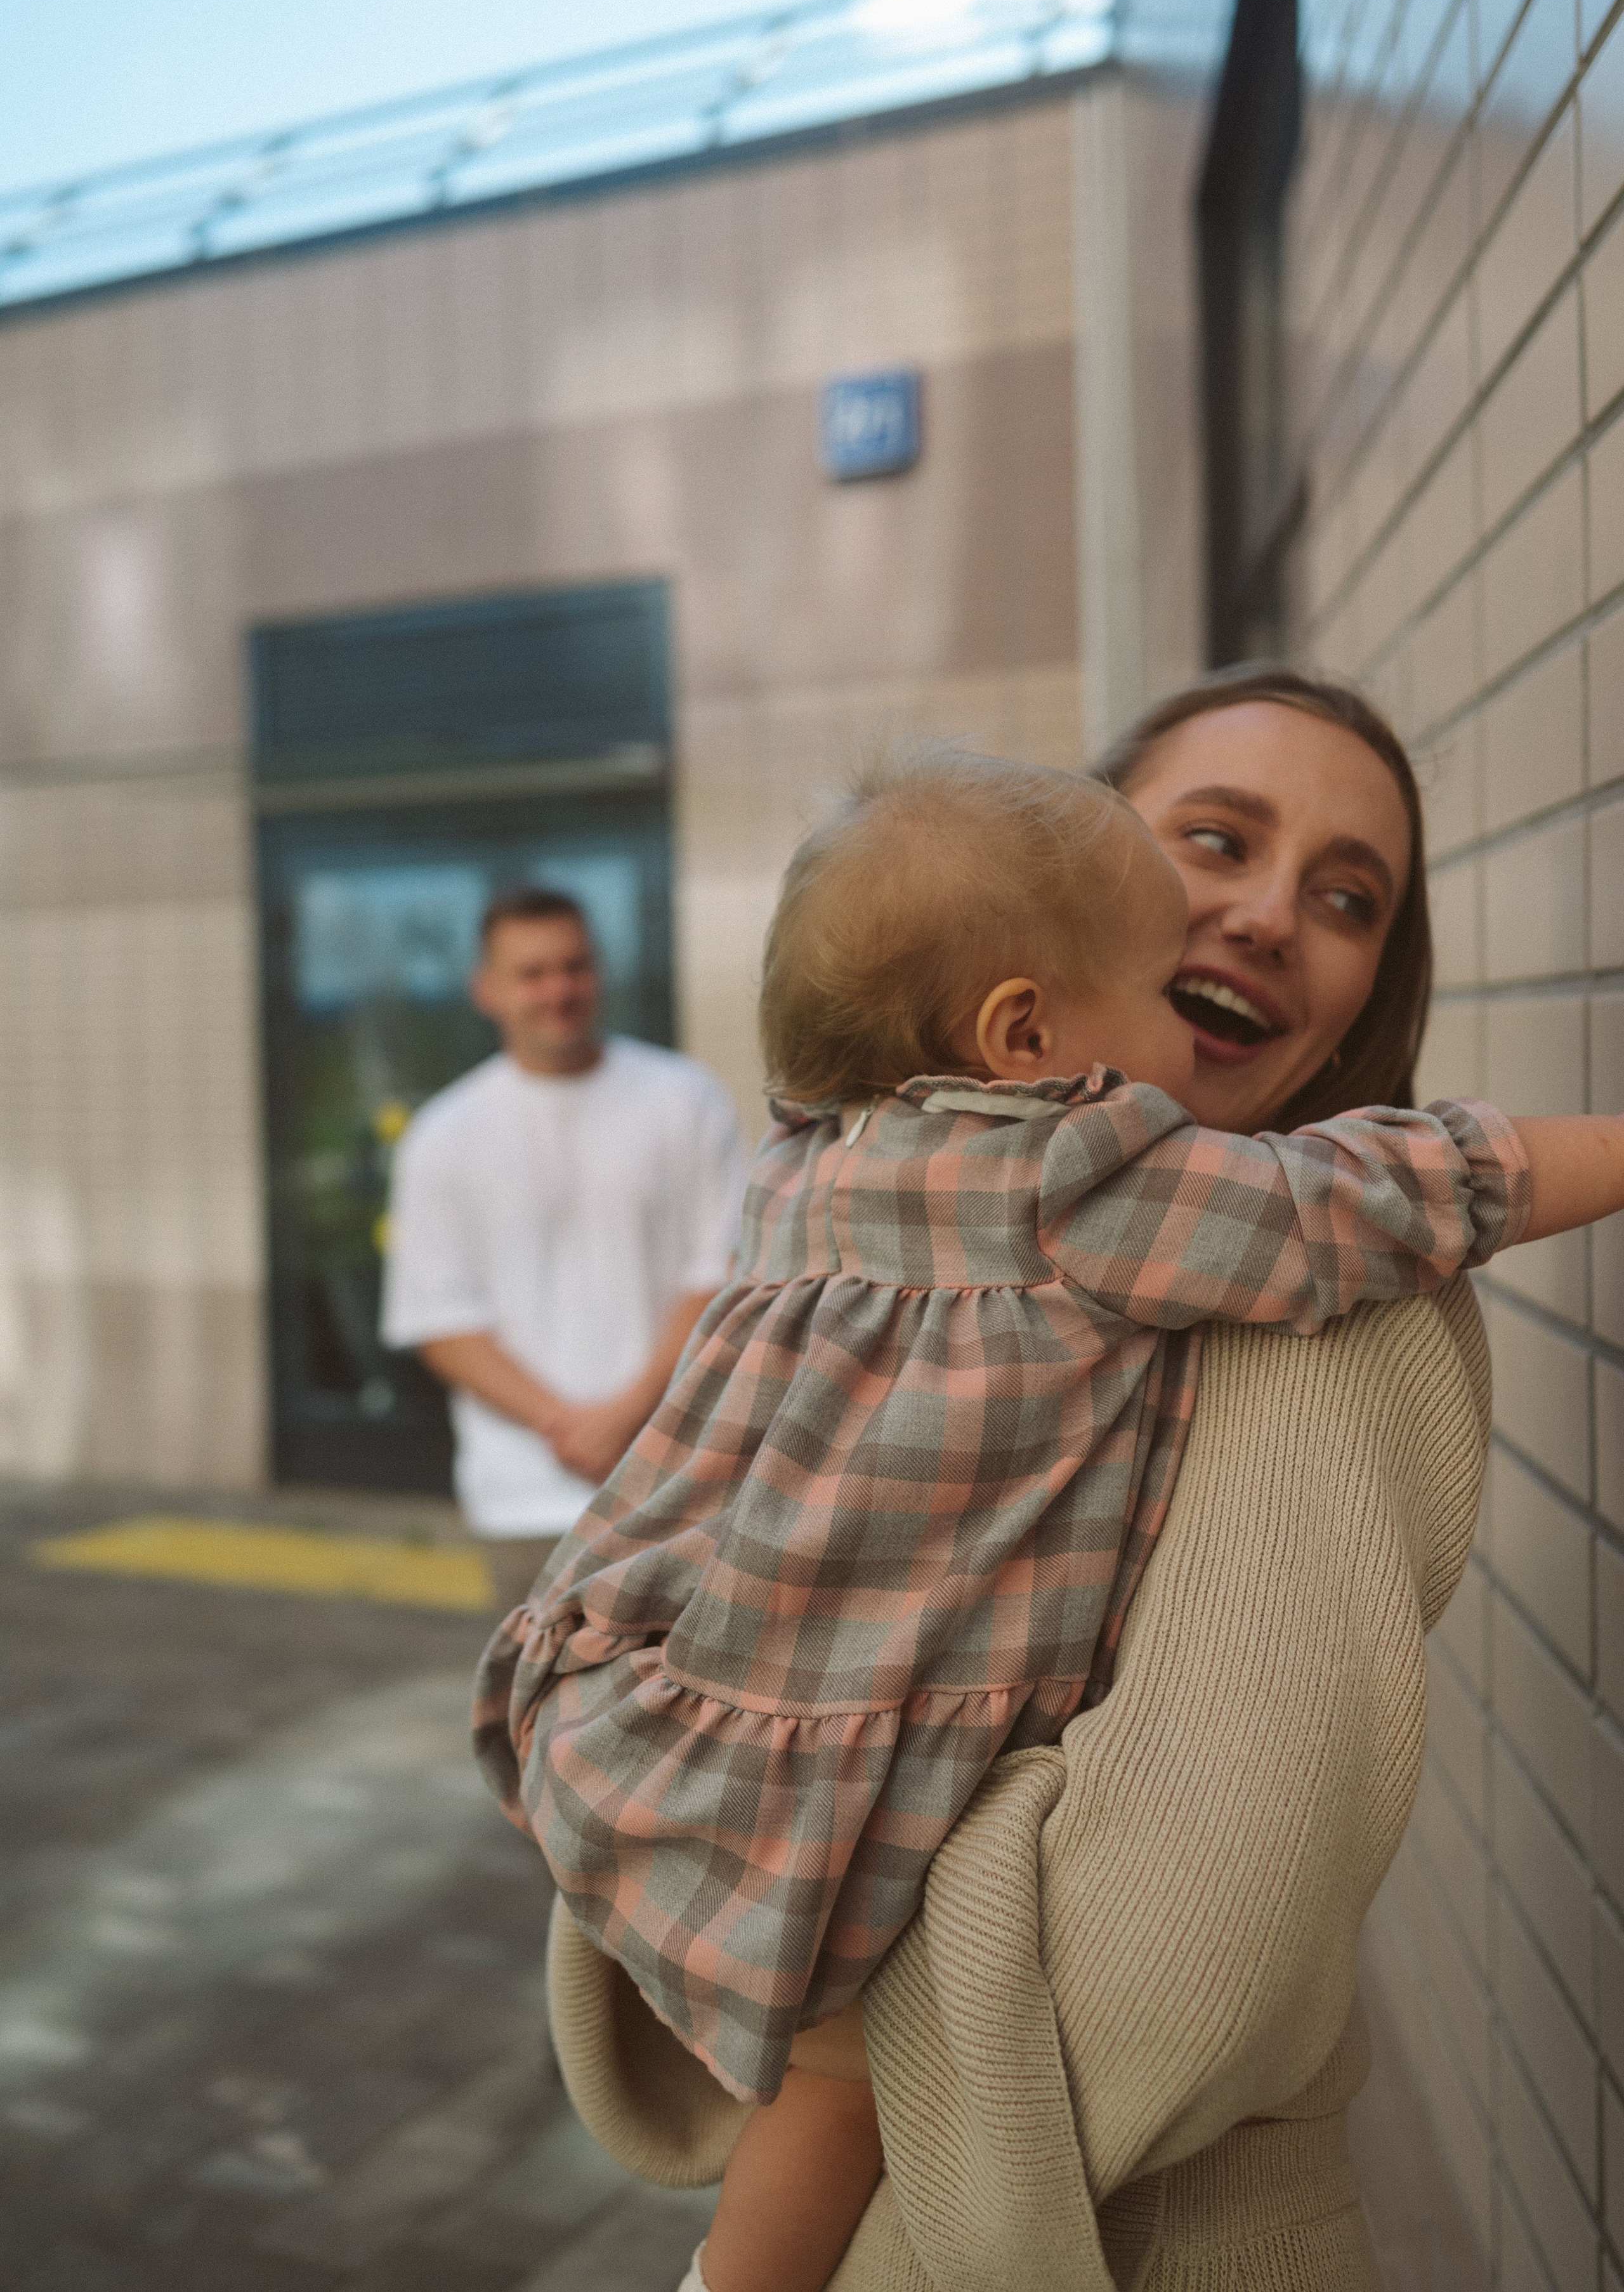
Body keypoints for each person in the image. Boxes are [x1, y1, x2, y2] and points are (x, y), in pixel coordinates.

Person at [474, 727, 1624, 2292]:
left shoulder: (806, 1162)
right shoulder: (1087, 1174)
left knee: (807, 2077)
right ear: (1024, 1030)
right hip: (1005, 2154)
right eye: (1207, 847)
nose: (1263, 917)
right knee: (825, 2081)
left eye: (1346, 895)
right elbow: (1399, 1189)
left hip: (649, 1699)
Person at [381, 886, 748, 1612]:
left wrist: (624, 1419)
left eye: (574, 966)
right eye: (532, 972)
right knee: (538, 1723)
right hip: (521, 1495)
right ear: (486, 989)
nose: (558, 989)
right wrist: (568, 1425)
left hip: (674, 1485)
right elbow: (441, 1322)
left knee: (680, 1717)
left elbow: (724, 1274)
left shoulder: (686, 1099)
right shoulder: (444, 1135)